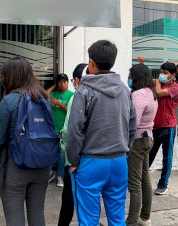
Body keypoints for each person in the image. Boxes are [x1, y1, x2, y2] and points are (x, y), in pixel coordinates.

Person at [67, 40, 136, 226]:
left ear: (91, 63)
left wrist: (73, 161)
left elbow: (74, 130)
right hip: (119, 161)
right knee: (117, 217)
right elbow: (132, 127)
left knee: (88, 220)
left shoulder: (84, 91)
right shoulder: (125, 90)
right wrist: (125, 151)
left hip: (92, 161)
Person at [0, 57, 50, 226]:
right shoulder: (43, 97)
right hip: (42, 165)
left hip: (16, 166)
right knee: (37, 215)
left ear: (9, 77)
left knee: (14, 218)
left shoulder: (9, 101)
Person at [126, 64, 158, 226]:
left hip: (137, 141)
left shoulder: (138, 94)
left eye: (131, 75)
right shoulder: (152, 93)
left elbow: (134, 123)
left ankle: (131, 221)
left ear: (136, 77)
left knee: (134, 183)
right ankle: (144, 217)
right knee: (145, 179)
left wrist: (126, 143)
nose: (129, 78)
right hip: (148, 138)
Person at [58, 63, 88, 226]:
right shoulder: (104, 95)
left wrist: (70, 159)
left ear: (77, 80)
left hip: (75, 160)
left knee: (69, 199)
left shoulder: (76, 97)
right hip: (95, 158)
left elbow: (69, 131)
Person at [149, 62, 178, 195]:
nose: (162, 75)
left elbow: (159, 92)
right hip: (155, 125)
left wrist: (156, 81)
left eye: (165, 73)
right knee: (149, 155)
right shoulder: (158, 84)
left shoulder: (175, 87)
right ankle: (140, 180)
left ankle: (163, 184)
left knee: (167, 158)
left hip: (168, 126)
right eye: (161, 72)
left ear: (172, 75)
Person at [46, 73, 74, 187]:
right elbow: (44, 95)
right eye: (60, 82)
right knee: (49, 152)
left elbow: (69, 109)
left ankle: (60, 176)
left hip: (64, 129)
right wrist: (54, 86)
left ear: (68, 82)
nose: (62, 84)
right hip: (52, 129)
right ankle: (49, 174)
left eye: (64, 82)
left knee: (62, 154)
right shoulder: (54, 93)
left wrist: (58, 103)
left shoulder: (72, 95)